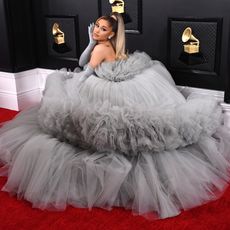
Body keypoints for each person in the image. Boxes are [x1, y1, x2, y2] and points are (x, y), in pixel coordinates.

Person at [0, 12, 230, 220]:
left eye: (101, 29)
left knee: (89, 118)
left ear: (111, 33)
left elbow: (83, 67)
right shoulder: (109, 45)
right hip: (115, 80)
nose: (97, 31)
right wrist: (92, 41)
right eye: (96, 27)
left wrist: (76, 76)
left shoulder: (100, 48)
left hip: (101, 83)